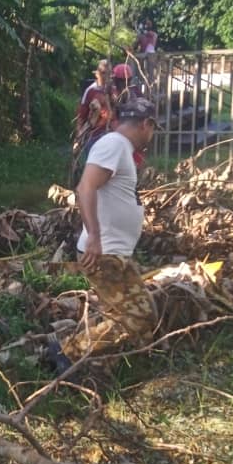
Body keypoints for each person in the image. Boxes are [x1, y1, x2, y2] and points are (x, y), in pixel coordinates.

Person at [74, 99, 159, 345]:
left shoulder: (119, 147)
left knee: (144, 316)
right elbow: (86, 187)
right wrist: (94, 236)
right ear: (146, 124)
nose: (151, 135)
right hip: (103, 253)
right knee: (137, 318)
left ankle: (104, 364)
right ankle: (68, 352)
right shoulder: (113, 144)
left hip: (115, 253)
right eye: (153, 129)